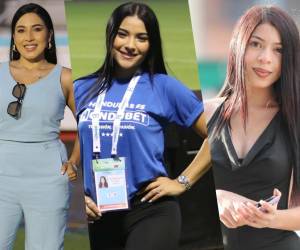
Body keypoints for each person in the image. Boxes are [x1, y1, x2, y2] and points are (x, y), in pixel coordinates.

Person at [74, 2, 211, 250]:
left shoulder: (164, 87)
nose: (130, 45)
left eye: (141, 38)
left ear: (151, 44)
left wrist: (182, 181)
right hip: (97, 214)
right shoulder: (82, 88)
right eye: (123, 34)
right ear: (111, 35)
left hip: (150, 210)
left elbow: (219, 135)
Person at [205, 5, 300, 250]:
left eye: (278, 50)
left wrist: (272, 218)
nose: (265, 58)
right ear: (239, 46)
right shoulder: (206, 112)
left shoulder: (294, 118)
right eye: (256, 44)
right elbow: (179, 186)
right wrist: (218, 198)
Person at [0, 3, 79, 250]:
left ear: (49, 34)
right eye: (21, 30)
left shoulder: (66, 77)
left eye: (37, 29)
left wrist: (73, 161)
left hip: (48, 179)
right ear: (14, 37)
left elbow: (88, 124)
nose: (29, 37)